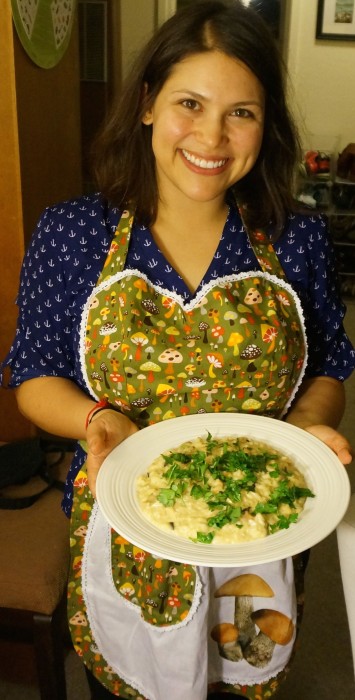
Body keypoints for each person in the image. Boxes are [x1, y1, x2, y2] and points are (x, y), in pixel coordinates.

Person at [2, 2, 354, 698]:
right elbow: (33, 375)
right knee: (135, 681)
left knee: (240, 669)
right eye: (189, 103)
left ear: (266, 124)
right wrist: (94, 420)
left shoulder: (297, 237)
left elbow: (329, 369)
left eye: (241, 112)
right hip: (126, 522)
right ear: (145, 105)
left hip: (257, 523)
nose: (212, 136)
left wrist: (306, 428)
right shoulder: (73, 233)